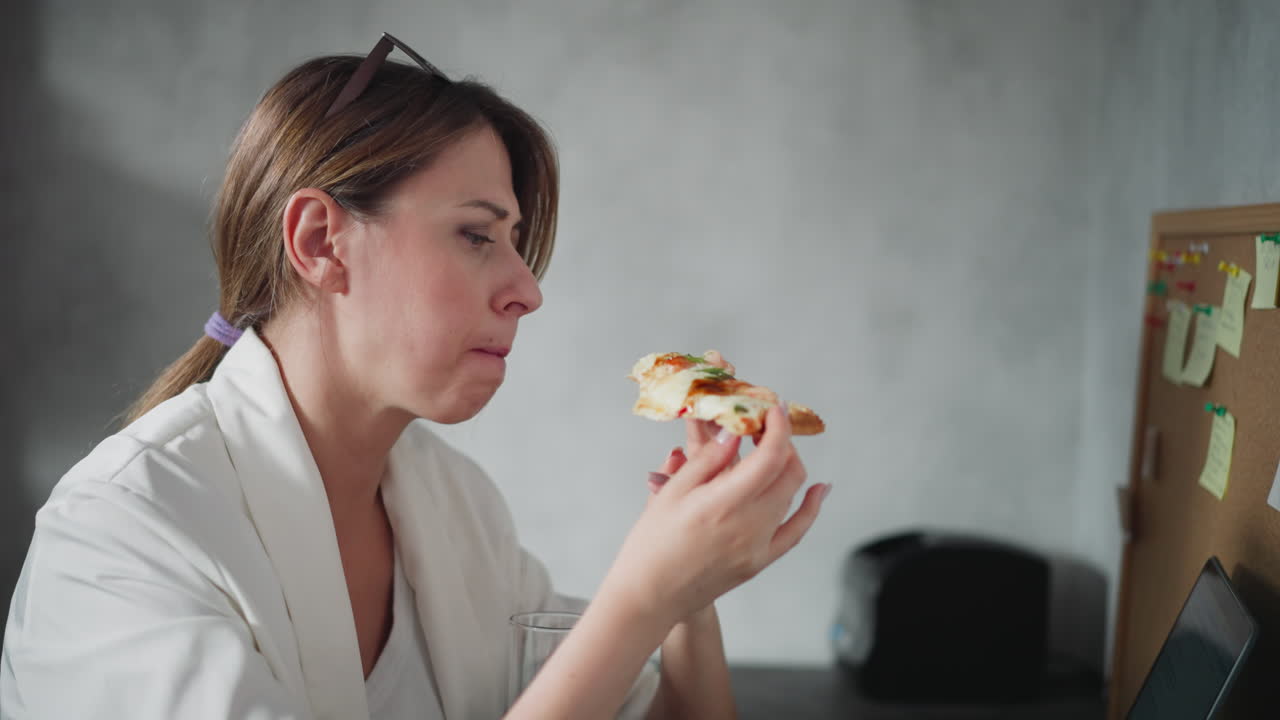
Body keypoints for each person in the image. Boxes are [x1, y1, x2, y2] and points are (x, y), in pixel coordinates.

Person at [0, 33, 829, 720]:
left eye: (515, 242)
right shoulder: (120, 536)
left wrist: (690, 589)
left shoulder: (458, 509)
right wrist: (639, 600)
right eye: (477, 235)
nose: (528, 290)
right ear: (322, 242)